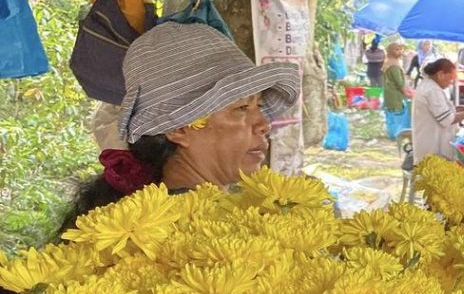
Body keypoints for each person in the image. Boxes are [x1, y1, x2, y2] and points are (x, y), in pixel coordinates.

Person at [60, 21, 300, 228]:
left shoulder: (237, 215)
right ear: (179, 129)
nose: (264, 124)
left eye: (259, 105)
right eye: (242, 108)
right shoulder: (178, 234)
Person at [412, 58, 464, 164]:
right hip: (432, 147)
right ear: (441, 74)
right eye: (450, 79)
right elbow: (446, 119)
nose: (450, 83)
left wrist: (456, 109)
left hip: (428, 142)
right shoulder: (432, 90)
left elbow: (438, 111)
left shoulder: (428, 85)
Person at [382, 42, 411, 140]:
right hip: (394, 93)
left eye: (400, 49)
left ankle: (394, 133)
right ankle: (397, 133)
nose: (399, 52)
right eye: (396, 50)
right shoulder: (394, 65)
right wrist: (406, 92)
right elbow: (399, 82)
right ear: (390, 51)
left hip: (389, 92)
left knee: (392, 113)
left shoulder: (389, 62)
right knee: (396, 113)